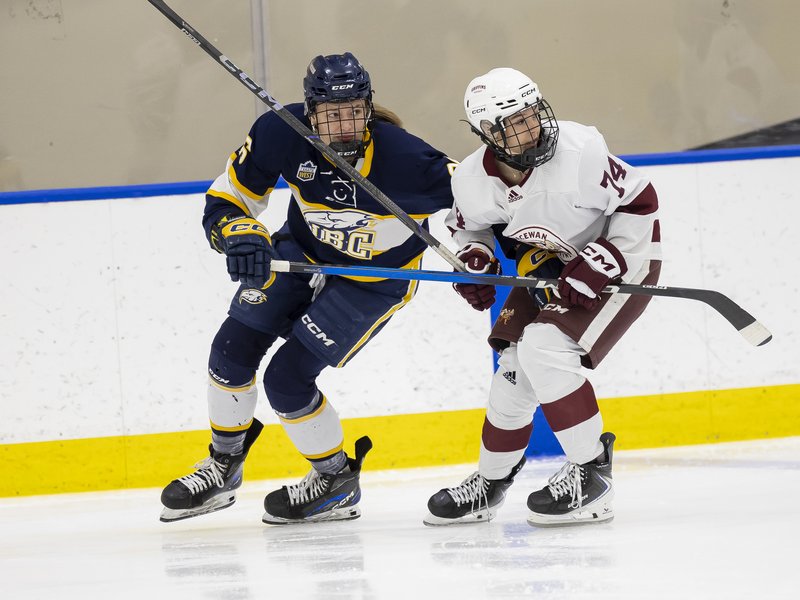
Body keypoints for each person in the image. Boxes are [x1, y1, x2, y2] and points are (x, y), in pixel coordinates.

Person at [159, 52, 456, 524]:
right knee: (230, 350)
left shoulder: (410, 160)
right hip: (300, 252)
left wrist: (502, 251)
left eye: (354, 112)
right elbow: (229, 196)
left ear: (368, 107)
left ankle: (335, 480)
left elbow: (485, 205)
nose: (343, 126)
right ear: (311, 112)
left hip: (374, 281)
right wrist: (239, 232)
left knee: (287, 379)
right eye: (331, 115)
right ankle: (223, 465)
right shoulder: (282, 132)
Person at [424, 68, 661, 527]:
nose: (532, 127)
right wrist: (475, 259)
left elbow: (641, 202)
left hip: (624, 257)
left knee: (545, 348)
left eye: (533, 114)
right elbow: (468, 227)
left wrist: (604, 258)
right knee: (513, 369)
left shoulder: (580, 150)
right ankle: (491, 484)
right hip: (549, 266)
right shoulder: (472, 178)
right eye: (515, 122)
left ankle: (592, 476)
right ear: (488, 133)